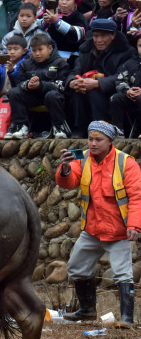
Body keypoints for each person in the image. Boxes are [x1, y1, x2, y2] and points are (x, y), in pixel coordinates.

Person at [57, 121, 141, 327]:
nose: (93, 143)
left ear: (110, 141)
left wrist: (134, 225)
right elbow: (68, 182)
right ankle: (87, 311)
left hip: (118, 230)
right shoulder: (83, 159)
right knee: (76, 268)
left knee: (123, 274)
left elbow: (137, 196)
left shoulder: (126, 163)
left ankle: (127, 319)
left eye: (98, 140)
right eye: (90, 139)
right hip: (92, 230)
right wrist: (65, 168)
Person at [66, 18, 131, 135]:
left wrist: (97, 83)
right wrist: (72, 82)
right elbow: (75, 71)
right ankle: (79, 129)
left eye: (103, 36)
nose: (99, 40)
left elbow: (122, 77)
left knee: (94, 92)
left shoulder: (125, 52)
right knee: (77, 90)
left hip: (113, 91)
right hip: (87, 89)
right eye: (96, 36)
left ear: (113, 35)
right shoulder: (86, 50)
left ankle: (101, 129)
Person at [5, 32, 71, 139]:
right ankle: (20, 126)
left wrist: (40, 85)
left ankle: (59, 127)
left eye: (40, 49)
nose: (37, 54)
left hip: (52, 97)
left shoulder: (60, 63)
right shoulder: (25, 64)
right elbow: (19, 83)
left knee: (52, 95)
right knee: (13, 92)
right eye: (34, 50)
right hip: (32, 96)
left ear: (49, 48)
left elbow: (62, 86)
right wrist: (27, 85)